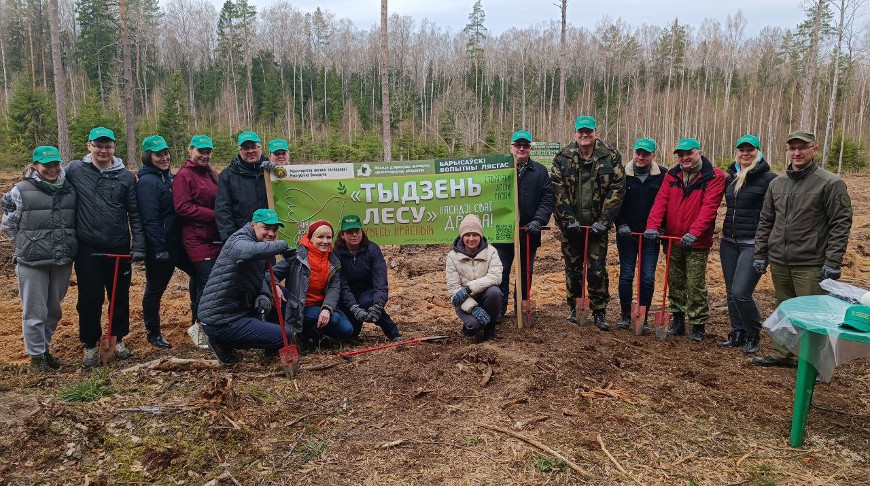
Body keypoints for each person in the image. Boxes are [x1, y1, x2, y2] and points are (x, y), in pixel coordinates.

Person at [752, 131, 852, 367]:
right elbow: (766, 220)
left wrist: (833, 261)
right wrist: (760, 253)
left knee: (815, 316)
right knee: (784, 309)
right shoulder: (777, 183)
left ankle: (817, 363)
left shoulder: (830, 183)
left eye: (802, 148)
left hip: (811, 263)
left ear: (814, 150)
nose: (797, 153)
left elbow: (841, 223)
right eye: (792, 148)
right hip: (780, 260)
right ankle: (782, 354)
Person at [66, 127, 145, 366]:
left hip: (119, 246)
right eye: (98, 145)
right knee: (89, 298)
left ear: (114, 147)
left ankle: (117, 339)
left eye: (108, 146)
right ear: (89, 145)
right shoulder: (75, 170)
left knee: (119, 297)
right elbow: (50, 178)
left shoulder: (126, 177)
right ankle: (90, 344)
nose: (103, 150)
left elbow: (135, 214)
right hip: (87, 247)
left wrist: (138, 246)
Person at [1, 146, 76, 372]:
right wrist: (27, 244)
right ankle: (36, 358)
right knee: (35, 311)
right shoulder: (20, 190)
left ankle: (44, 351)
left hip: (62, 259)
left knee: (53, 309)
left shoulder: (69, 188)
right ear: (35, 166)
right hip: (31, 262)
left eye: (55, 164)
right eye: (47, 165)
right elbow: (8, 226)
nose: (52, 169)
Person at [644, 138, 725, 342]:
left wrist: (695, 232)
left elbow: (709, 208)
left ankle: (698, 324)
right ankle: (678, 320)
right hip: (672, 239)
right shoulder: (672, 175)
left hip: (696, 241)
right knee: (675, 281)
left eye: (689, 153)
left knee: (695, 283)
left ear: (700, 152)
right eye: (681, 155)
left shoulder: (714, 176)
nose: (685, 158)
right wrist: (652, 226)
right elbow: (661, 201)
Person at [550, 116, 625, 330]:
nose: (585, 135)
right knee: (573, 270)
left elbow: (618, 189)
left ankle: (599, 311)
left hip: (597, 228)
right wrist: (567, 220)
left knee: (597, 270)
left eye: (588, 131)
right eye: (581, 131)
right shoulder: (562, 157)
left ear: (596, 133)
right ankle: (575, 307)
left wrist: (604, 221)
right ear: (575, 133)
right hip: (571, 227)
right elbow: (557, 190)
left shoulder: (610, 156)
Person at [197, 209, 291, 365]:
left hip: (238, 309)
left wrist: (264, 294)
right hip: (221, 320)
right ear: (253, 225)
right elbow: (247, 252)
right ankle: (221, 342)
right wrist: (282, 245)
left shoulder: (259, 243)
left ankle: (271, 351)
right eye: (266, 228)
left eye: (274, 229)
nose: (271, 233)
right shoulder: (238, 241)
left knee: (281, 292)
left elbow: (259, 276)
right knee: (284, 336)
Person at [718, 135, 776, 354]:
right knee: (731, 292)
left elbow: (773, 215)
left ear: (758, 152)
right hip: (729, 242)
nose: (745, 154)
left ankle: (753, 333)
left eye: (750, 150)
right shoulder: (730, 178)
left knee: (741, 291)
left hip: (752, 244)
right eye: (741, 150)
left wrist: (765, 248)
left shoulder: (770, 179)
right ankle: (738, 332)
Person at [137, 135, 196, 349]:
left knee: (199, 274)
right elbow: (150, 219)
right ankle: (153, 331)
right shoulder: (147, 182)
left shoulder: (169, 178)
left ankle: (197, 322)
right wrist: (159, 247)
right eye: (158, 154)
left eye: (165, 153)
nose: (164, 158)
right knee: (155, 288)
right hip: (161, 246)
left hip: (179, 242)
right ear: (148, 156)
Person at [493, 130, 554, 318]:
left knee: (525, 274)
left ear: (530, 148)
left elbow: (547, 198)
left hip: (529, 233)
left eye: (525, 145)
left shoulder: (540, 171)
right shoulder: (499, 169)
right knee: (501, 272)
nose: (521, 148)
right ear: (511, 147)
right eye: (517, 145)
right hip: (502, 233)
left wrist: (538, 220)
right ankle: (500, 310)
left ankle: (522, 307)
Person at [273, 220, 355, 351]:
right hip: (298, 308)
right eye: (320, 237)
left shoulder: (333, 260)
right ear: (311, 238)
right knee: (334, 320)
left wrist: (327, 309)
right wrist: (276, 285)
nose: (325, 241)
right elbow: (271, 274)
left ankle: (313, 335)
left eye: (328, 237)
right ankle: (303, 335)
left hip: (320, 306)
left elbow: (334, 288)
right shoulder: (297, 257)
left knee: (347, 330)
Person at [173, 135, 221, 348]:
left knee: (204, 281)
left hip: (213, 238)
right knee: (209, 281)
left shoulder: (209, 173)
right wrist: (214, 215)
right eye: (200, 151)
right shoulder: (185, 175)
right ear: (190, 150)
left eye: (208, 152)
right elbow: (182, 207)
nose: (205, 155)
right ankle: (200, 329)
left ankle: (205, 325)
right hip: (196, 239)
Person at [614, 138, 665, 330]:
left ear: (653, 155)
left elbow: (665, 204)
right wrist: (620, 224)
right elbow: (614, 202)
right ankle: (626, 315)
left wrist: (660, 228)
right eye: (638, 153)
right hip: (627, 235)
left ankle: (642, 315)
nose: (640, 157)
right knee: (626, 275)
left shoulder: (662, 175)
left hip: (651, 237)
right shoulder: (621, 175)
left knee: (647, 277)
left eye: (645, 154)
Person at [333, 214, 403, 341]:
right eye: (349, 232)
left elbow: (380, 280)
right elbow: (341, 284)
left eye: (357, 231)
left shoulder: (373, 249)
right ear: (343, 235)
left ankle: (394, 333)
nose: (354, 235)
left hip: (368, 292)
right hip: (347, 296)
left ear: (361, 232)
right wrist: (353, 307)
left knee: (367, 302)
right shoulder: (336, 253)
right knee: (350, 334)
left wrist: (378, 304)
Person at [445, 214, 503, 341]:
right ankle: (470, 326)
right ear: (462, 236)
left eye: (475, 234)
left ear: (480, 235)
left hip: (485, 296)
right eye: (467, 235)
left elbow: (496, 276)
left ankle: (490, 327)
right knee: (475, 325)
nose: (471, 239)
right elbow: (454, 289)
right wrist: (473, 308)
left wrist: (468, 288)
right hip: (464, 301)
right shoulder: (452, 257)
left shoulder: (491, 251)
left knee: (495, 292)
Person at [215, 131, 269, 241]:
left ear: (260, 148)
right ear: (240, 150)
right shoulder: (228, 175)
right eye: (245, 148)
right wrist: (230, 239)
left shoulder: (271, 171)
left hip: (271, 232)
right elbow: (223, 208)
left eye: (254, 147)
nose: (250, 151)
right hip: (243, 234)